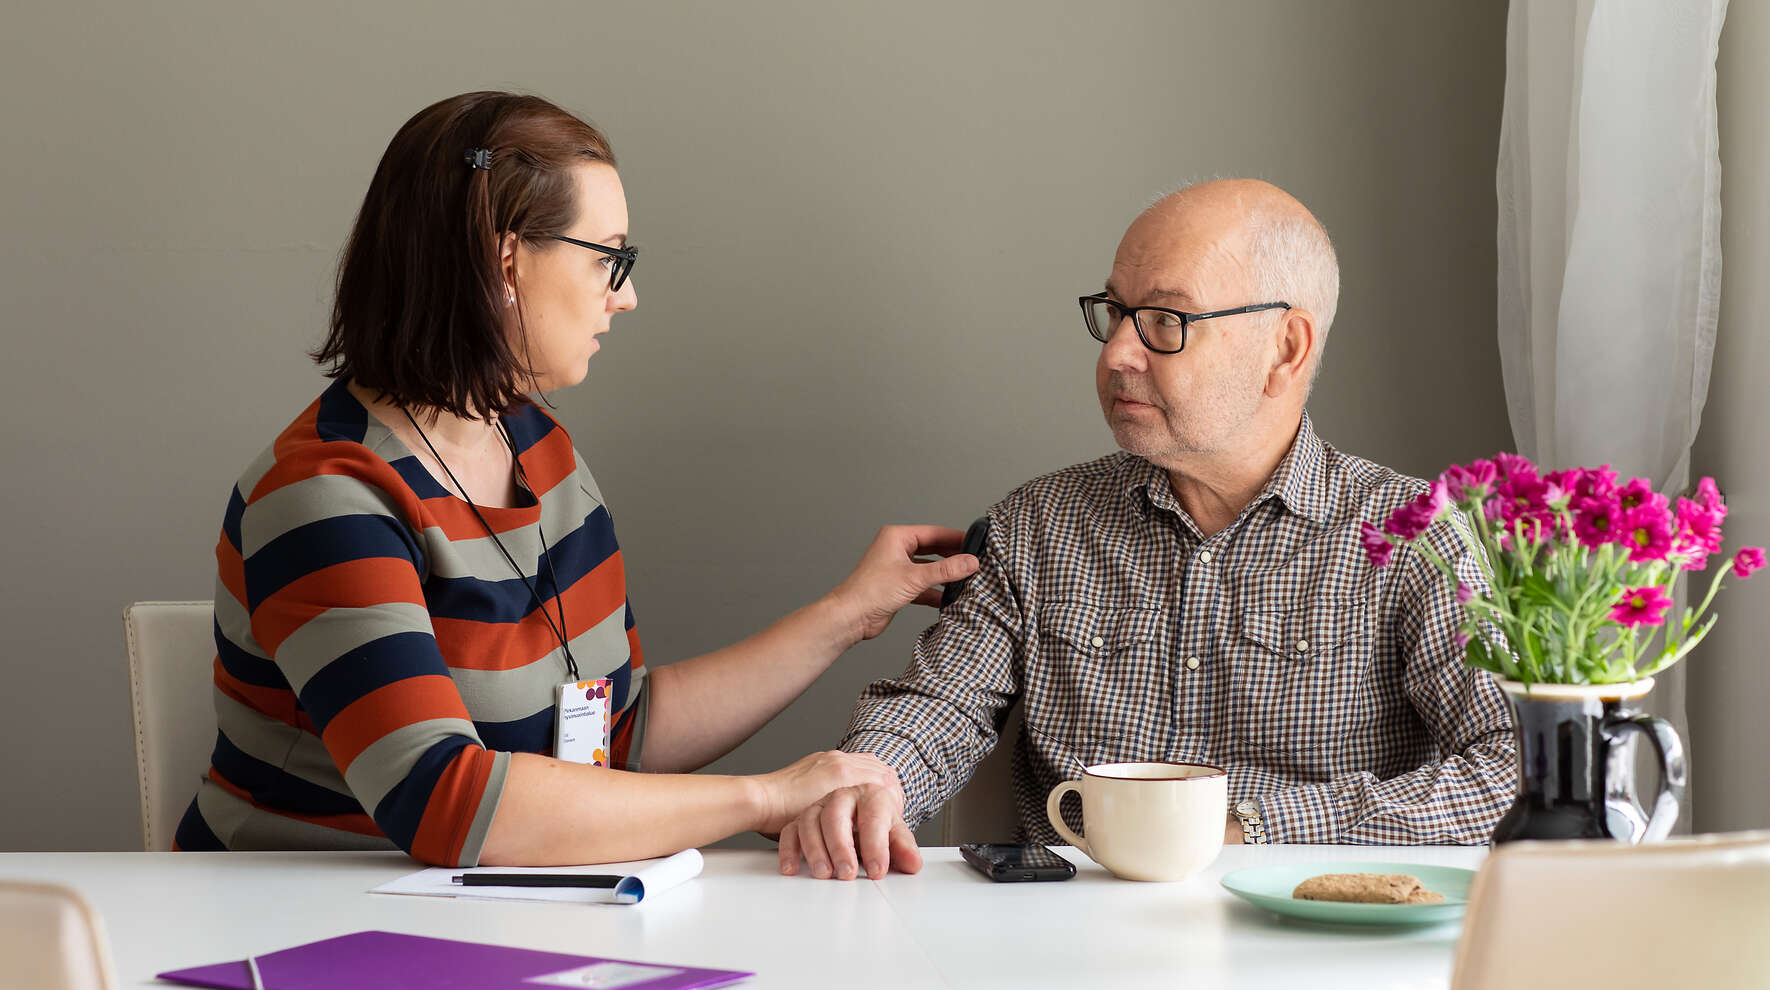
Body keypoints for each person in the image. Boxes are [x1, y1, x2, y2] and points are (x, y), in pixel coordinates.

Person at [174, 91, 978, 868]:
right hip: (301, 930)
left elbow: (610, 732)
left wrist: (850, 614)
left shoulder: (539, 449)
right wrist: (768, 797)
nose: (627, 297)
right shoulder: (326, 494)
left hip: (482, 913)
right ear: (506, 259)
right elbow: (441, 800)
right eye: (610, 259)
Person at [777, 179, 1517, 882]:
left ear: (1285, 348)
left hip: (1312, 932)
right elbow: (939, 706)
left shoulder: (1415, 536)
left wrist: (1249, 828)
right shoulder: (1038, 525)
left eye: (1166, 322)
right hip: (1067, 938)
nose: (1116, 355)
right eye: (1115, 312)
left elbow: (1513, 768)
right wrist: (869, 780)